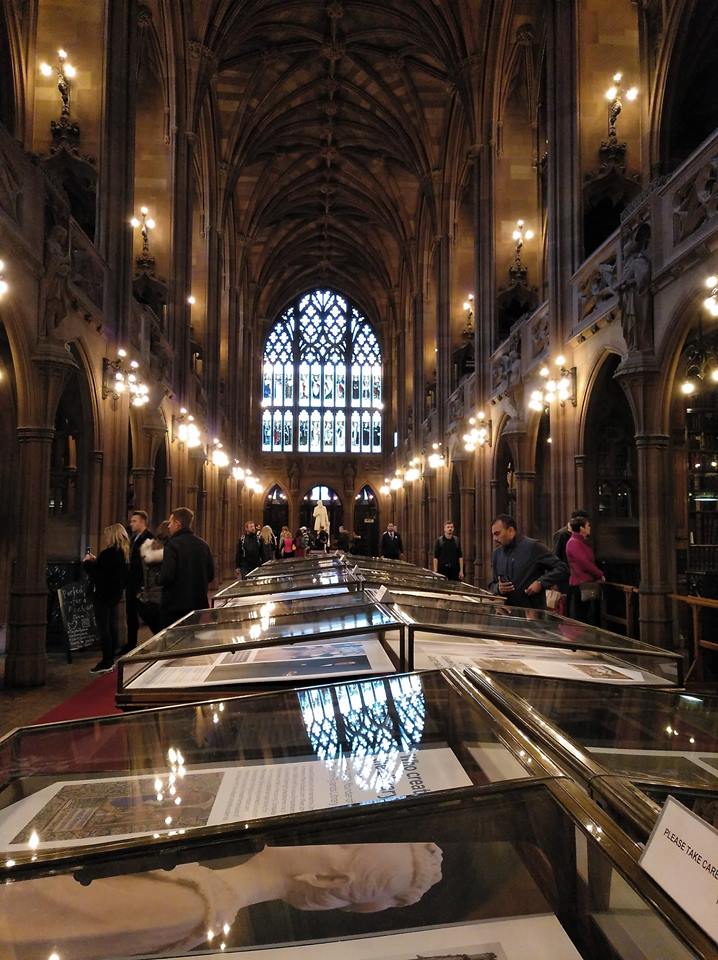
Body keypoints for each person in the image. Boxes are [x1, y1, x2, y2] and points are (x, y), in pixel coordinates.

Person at [0, 842, 443, 959]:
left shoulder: (189, 907)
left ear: (325, 876)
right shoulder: (204, 889)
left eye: (346, 845)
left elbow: (22, 925)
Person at [488, 514, 568, 609]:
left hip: (532, 612)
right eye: (493, 535)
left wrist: (541, 582)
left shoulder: (533, 547)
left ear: (511, 531)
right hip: (507, 614)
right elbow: (492, 584)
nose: (494, 539)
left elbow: (562, 568)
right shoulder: (497, 554)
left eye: (497, 534)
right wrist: (498, 588)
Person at [83, 523, 130, 673]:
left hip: (103, 595)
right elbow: (110, 572)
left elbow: (99, 576)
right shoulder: (123, 553)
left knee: (104, 628)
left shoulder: (108, 553)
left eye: (106, 535)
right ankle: (111, 656)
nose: (105, 538)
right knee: (111, 625)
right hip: (114, 595)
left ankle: (106, 660)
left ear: (112, 536)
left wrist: (87, 564)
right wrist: (97, 561)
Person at [157, 507, 215, 628]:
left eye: (171, 522)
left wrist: (157, 578)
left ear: (178, 524)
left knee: (175, 641)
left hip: (175, 606)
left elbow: (167, 576)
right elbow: (210, 575)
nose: (168, 526)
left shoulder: (172, 545)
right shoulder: (203, 544)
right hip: (197, 603)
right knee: (192, 638)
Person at [123, 510, 154, 654]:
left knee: (147, 614)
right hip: (131, 582)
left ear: (142, 522)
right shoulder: (134, 538)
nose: (131, 524)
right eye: (131, 521)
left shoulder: (149, 538)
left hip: (141, 584)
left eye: (134, 521)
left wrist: (144, 584)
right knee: (131, 615)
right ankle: (131, 643)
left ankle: (160, 637)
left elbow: (151, 564)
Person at [565, 515, 605, 624]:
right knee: (582, 617)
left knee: (588, 616)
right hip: (580, 585)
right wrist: (599, 574)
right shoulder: (574, 542)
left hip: (585, 584)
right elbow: (585, 563)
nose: (590, 527)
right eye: (588, 525)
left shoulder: (581, 541)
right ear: (581, 528)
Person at [135, 520, 171, 635]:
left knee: (157, 632)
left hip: (148, 597)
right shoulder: (169, 551)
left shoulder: (148, 548)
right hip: (163, 597)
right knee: (166, 632)